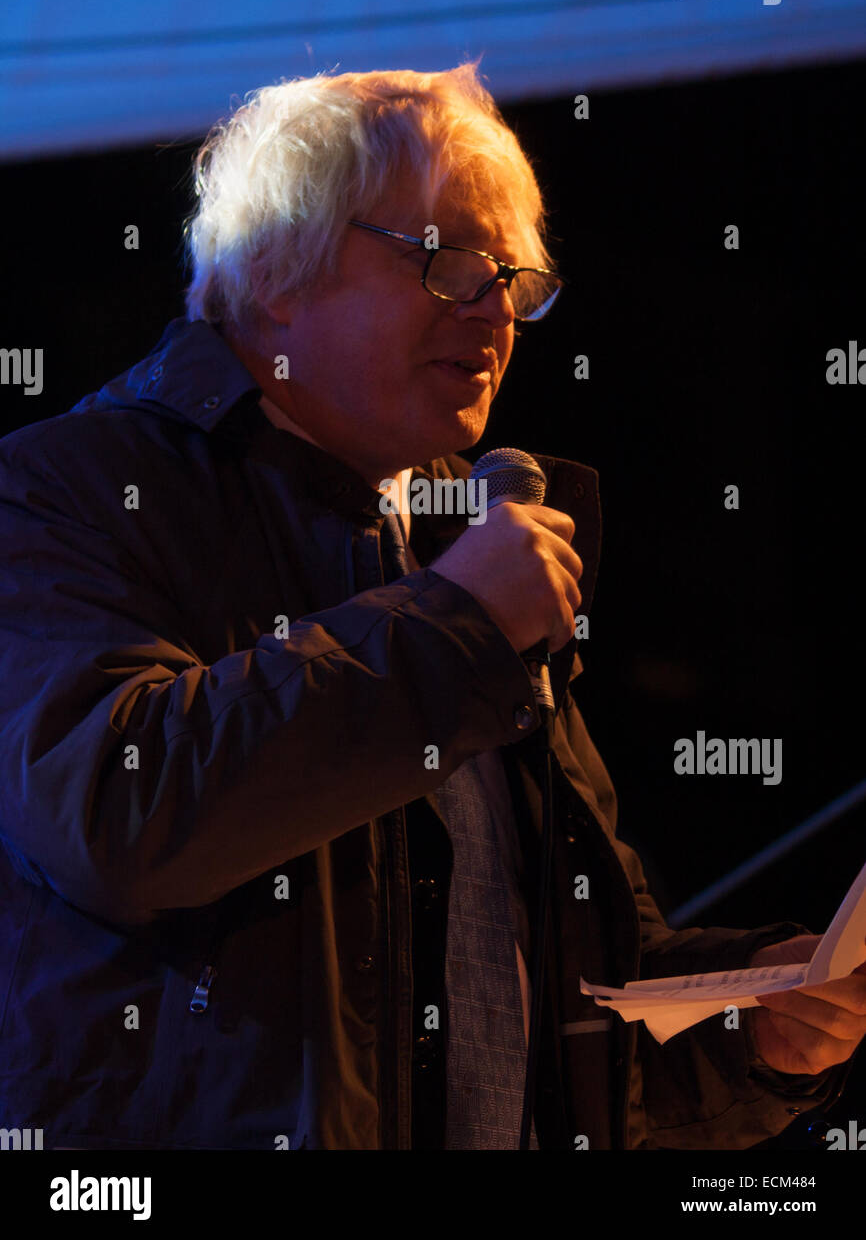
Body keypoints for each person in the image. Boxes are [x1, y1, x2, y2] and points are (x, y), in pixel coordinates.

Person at [0, 64, 863, 1152]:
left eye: (512, 276)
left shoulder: (458, 546)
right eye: (449, 262)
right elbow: (116, 813)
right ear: (276, 269)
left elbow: (566, 994)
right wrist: (456, 625)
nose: (496, 307)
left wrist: (750, 1027)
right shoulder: (57, 489)